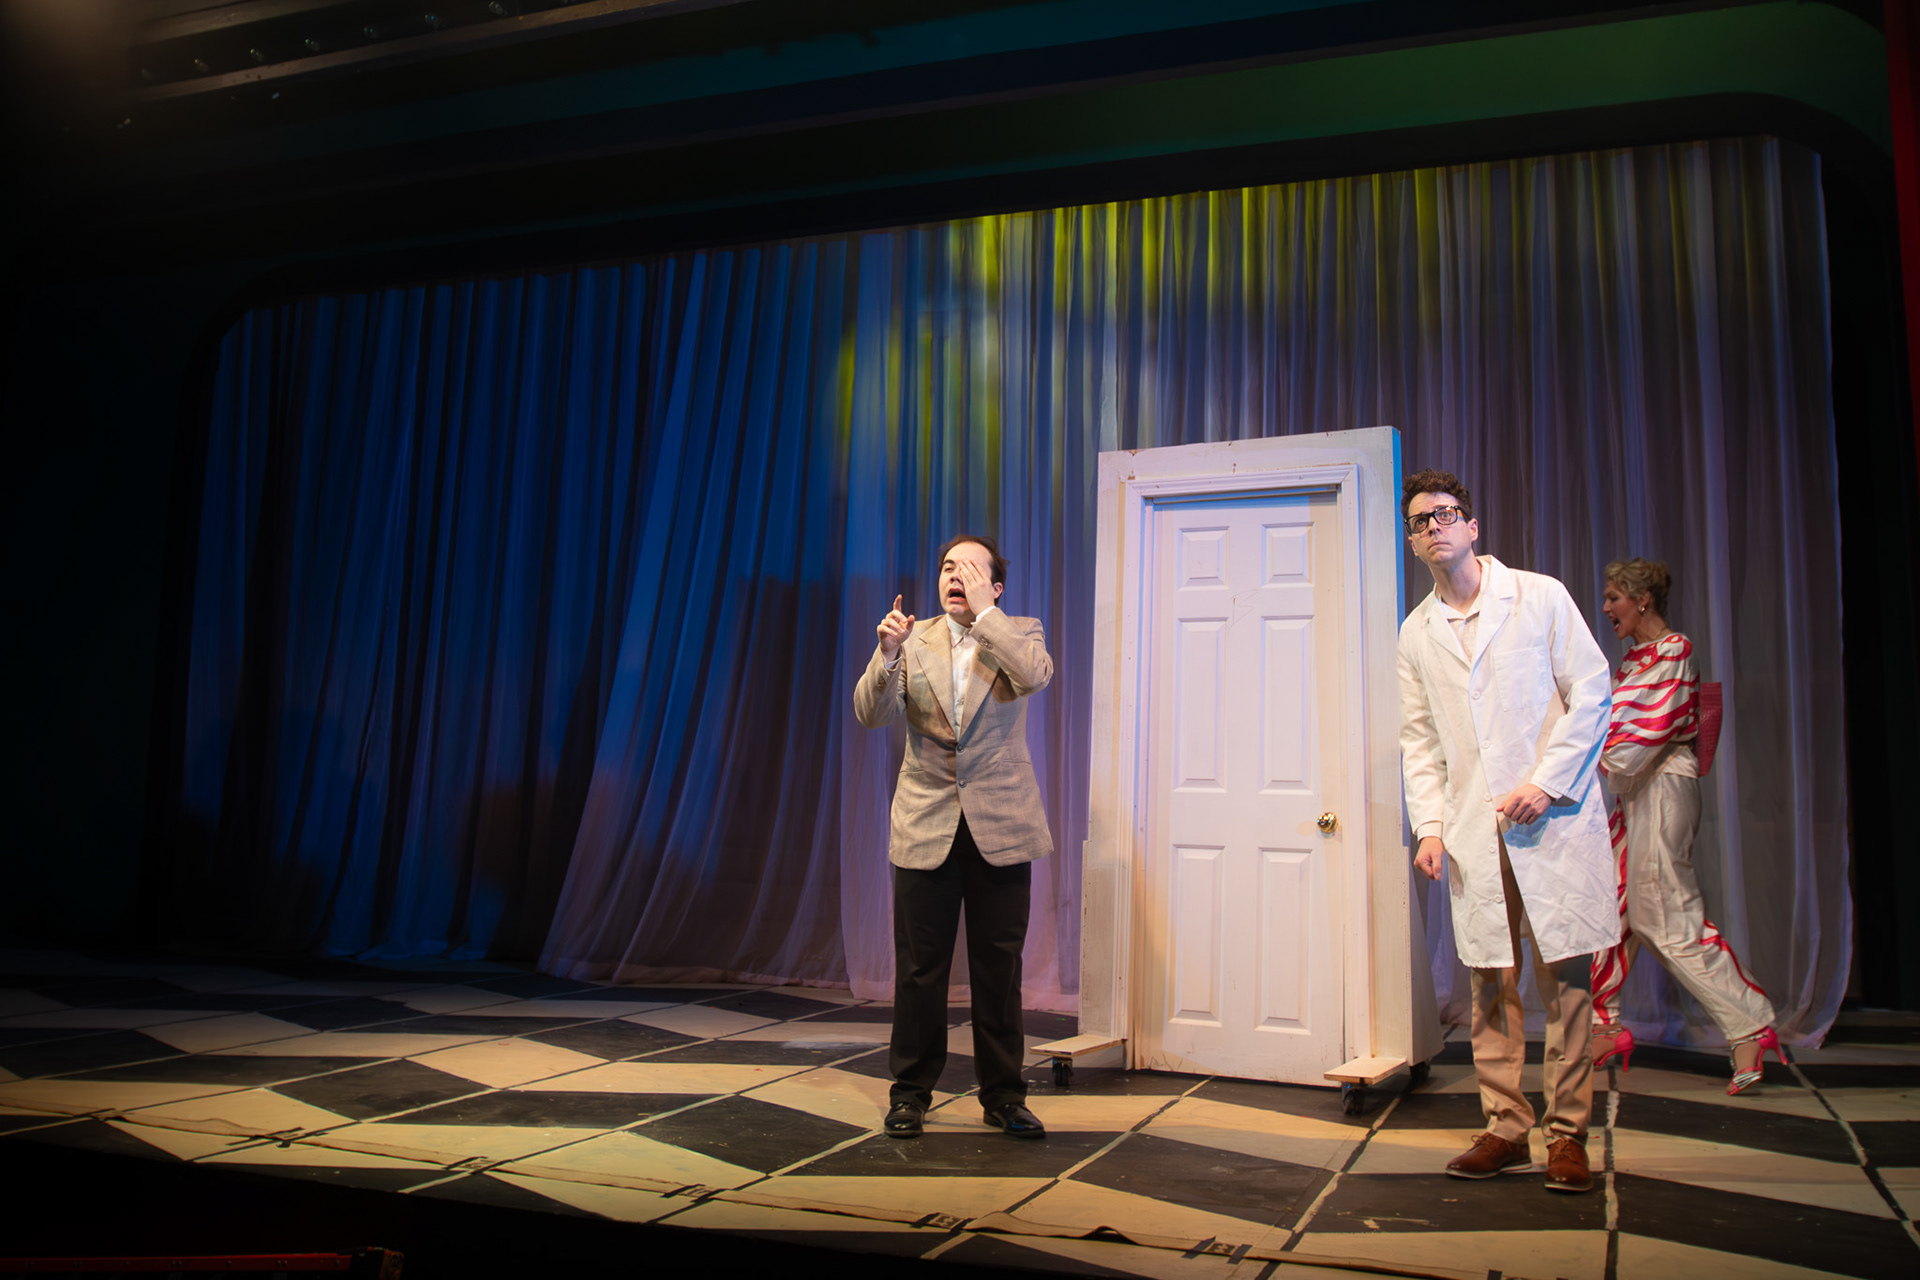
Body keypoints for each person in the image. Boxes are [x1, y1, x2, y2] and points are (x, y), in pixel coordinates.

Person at [1396, 469, 1619, 1194]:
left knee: (1566, 981)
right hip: (1472, 823)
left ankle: (1568, 1134)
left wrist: (1546, 782)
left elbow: (1592, 691)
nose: (1434, 527)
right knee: (1489, 979)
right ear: (1411, 542)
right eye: (1420, 521)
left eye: (1445, 515)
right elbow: (1419, 739)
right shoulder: (1416, 633)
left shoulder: (1539, 595)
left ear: (1472, 526)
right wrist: (1431, 828)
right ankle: (1505, 1125)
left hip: (1548, 817)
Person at [853, 534, 1053, 1140]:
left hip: (1002, 825)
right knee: (920, 970)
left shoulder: (1021, 632)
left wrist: (987, 618)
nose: (954, 576)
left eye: (969, 568)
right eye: (947, 567)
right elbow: (870, 714)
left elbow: (1033, 676)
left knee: (999, 969)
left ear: (996, 586)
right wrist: (887, 654)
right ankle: (910, 1094)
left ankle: (1004, 1096)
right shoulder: (912, 638)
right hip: (926, 822)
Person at [1588, 558, 1782, 1094]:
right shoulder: (1634, 661)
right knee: (1610, 906)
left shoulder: (1674, 651)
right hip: (1635, 793)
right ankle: (1606, 1027)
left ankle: (1749, 1024)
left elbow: (1639, 736)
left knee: (1665, 913)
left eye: (1613, 598)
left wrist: (1594, 745)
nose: (1606, 608)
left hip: (1664, 789)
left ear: (1642, 598)